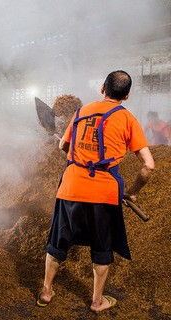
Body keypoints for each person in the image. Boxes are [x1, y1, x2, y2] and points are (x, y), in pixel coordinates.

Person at [37, 71, 155, 313]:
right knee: (102, 248)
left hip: (70, 188)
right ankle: (96, 301)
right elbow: (149, 166)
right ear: (128, 95)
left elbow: (63, 147)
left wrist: (74, 150)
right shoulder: (128, 120)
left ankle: (47, 291)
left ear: (102, 88)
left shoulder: (80, 113)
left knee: (56, 243)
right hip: (104, 192)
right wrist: (132, 192)